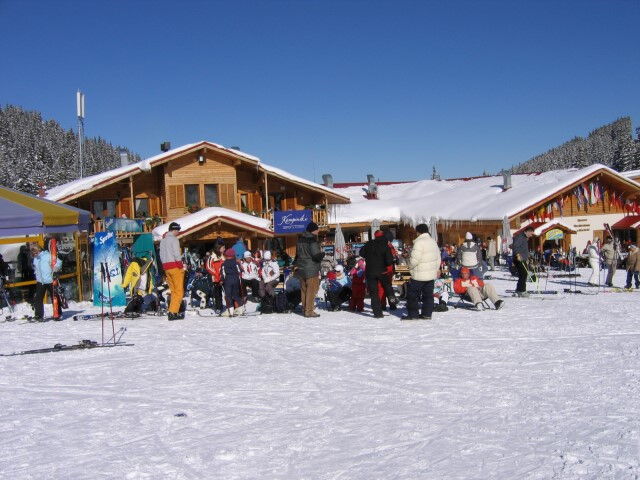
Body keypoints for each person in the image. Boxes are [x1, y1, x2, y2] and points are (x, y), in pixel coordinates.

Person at [403, 223, 440, 320]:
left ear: (418, 232)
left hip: (419, 275)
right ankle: (427, 314)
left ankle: (413, 315)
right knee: (428, 296)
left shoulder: (419, 242)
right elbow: (438, 258)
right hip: (430, 275)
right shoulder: (433, 241)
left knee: (413, 296)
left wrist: (409, 266)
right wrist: (436, 269)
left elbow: (415, 260)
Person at [360, 230, 397, 318]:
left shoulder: (368, 244)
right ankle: (392, 302)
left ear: (375, 236)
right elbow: (389, 261)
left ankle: (377, 313)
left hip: (370, 271)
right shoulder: (385, 245)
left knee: (374, 293)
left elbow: (361, 253)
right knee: (388, 287)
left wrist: (369, 257)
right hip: (382, 271)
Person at [294, 221, 324, 318]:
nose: (318, 231)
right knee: (312, 290)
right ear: (313, 230)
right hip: (311, 268)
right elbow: (316, 256)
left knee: (304, 290)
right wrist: (322, 254)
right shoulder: (312, 240)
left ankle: (305, 309)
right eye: (317, 229)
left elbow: (297, 255)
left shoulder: (300, 240)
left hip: (301, 268)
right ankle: (309, 311)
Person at [159, 222, 185, 320]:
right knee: (179, 291)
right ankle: (173, 312)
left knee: (173, 291)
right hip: (175, 267)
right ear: (174, 230)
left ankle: (172, 310)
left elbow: (161, 255)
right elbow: (176, 254)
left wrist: (164, 266)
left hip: (166, 268)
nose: (178, 232)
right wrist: (181, 266)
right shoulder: (174, 240)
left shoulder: (163, 240)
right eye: (178, 230)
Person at [31, 242, 62, 321]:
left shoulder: (47, 255)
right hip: (40, 281)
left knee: (54, 297)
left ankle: (57, 313)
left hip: (50, 280)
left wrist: (55, 268)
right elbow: (36, 267)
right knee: (38, 298)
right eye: (33, 252)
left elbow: (59, 262)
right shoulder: (35, 258)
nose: (34, 254)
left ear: (38, 250)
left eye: (35, 252)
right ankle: (39, 315)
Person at [512, 226, 534, 297]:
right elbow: (515, 246)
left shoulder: (524, 238)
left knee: (523, 274)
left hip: (523, 258)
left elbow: (523, 249)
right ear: (527, 232)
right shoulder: (520, 237)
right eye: (531, 233)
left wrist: (527, 258)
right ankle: (522, 291)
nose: (531, 235)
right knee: (523, 274)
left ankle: (519, 290)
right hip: (519, 258)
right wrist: (517, 254)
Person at [221, 248, 244, 316]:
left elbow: (223, 273)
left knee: (228, 296)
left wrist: (222, 280)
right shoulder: (236, 262)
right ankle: (241, 309)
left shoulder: (224, 263)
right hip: (236, 279)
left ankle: (230, 311)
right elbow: (240, 271)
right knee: (236, 295)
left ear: (226, 255)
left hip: (228, 280)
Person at [205, 245, 225, 313]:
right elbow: (208, 267)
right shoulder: (212, 257)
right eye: (223, 248)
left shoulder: (224, 256)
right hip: (216, 278)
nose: (224, 249)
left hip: (224, 277)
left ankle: (230, 307)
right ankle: (219, 307)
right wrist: (216, 274)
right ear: (218, 248)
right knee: (217, 293)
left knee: (227, 293)